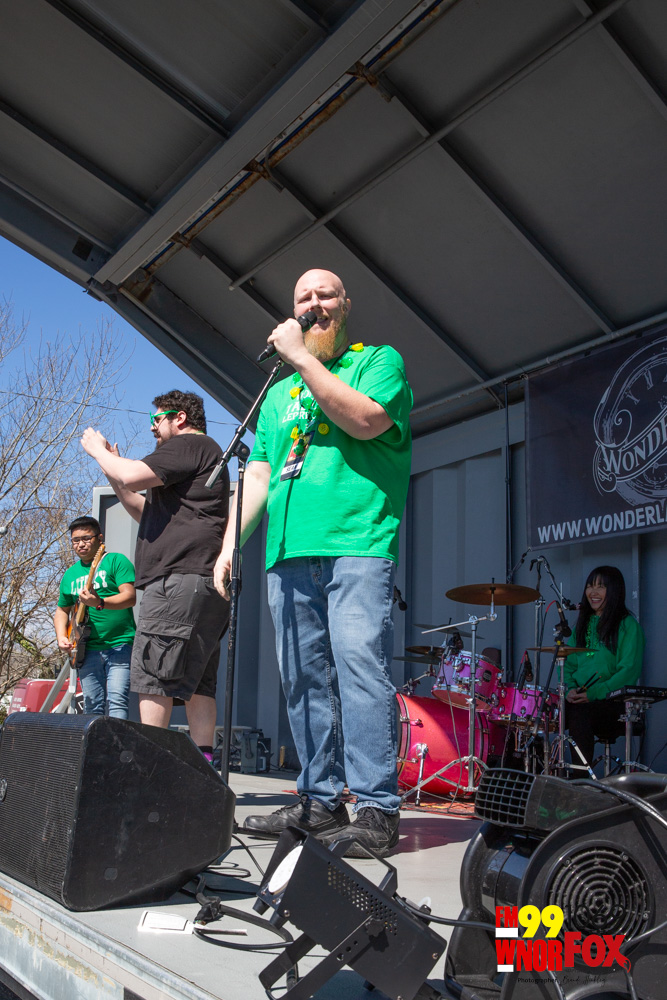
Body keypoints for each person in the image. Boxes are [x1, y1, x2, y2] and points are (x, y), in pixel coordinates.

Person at [214, 268, 413, 856]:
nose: (313, 302)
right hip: (287, 552)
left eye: (325, 294)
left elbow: (367, 420)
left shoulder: (377, 361)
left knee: (358, 666)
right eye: (303, 296)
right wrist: (229, 545)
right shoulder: (277, 395)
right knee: (302, 679)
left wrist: (301, 358)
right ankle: (319, 801)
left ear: (344, 304)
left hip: (356, 542)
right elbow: (259, 476)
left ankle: (377, 809)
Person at [80, 391, 230, 761]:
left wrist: (98, 452)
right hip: (203, 585)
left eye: (157, 418)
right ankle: (203, 770)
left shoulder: (188, 445)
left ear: (180, 417)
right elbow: (140, 508)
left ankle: (152, 771)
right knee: (198, 684)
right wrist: (112, 468)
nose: (152, 426)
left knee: (154, 676)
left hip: (177, 582)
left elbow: (132, 476)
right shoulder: (202, 457)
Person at [54, 516, 136, 718]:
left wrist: (100, 602)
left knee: (117, 700)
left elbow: (130, 597)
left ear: (99, 539)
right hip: (86, 648)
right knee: (91, 706)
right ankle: (95, 741)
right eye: (75, 540)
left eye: (86, 538)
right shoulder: (70, 574)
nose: (80, 544)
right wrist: (61, 637)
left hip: (120, 645)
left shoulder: (115, 561)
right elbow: (62, 610)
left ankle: (115, 740)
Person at [564, 565, 644, 767]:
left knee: (579, 713)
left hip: (614, 704)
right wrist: (569, 689)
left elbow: (628, 672)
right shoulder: (582, 626)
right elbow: (567, 665)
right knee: (540, 712)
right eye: (590, 586)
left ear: (614, 590)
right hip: (580, 699)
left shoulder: (628, 626)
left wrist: (594, 693)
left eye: (600, 587)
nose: (593, 592)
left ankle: (580, 778)